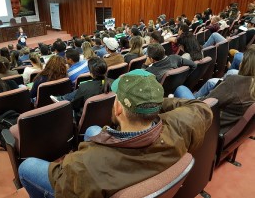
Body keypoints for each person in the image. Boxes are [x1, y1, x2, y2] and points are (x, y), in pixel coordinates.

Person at [18, 69, 212, 198]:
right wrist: (153, 105)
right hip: (154, 155)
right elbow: (197, 105)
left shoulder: (83, 165)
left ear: (118, 107)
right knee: (93, 131)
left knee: (26, 167)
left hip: (100, 169)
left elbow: (69, 186)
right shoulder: (184, 122)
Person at [174, 46, 255, 133]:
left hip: (209, 125)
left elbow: (205, 104)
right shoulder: (250, 86)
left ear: (245, 65)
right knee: (211, 83)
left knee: (181, 89)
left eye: (242, 60)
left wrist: (196, 100)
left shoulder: (235, 82)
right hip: (225, 127)